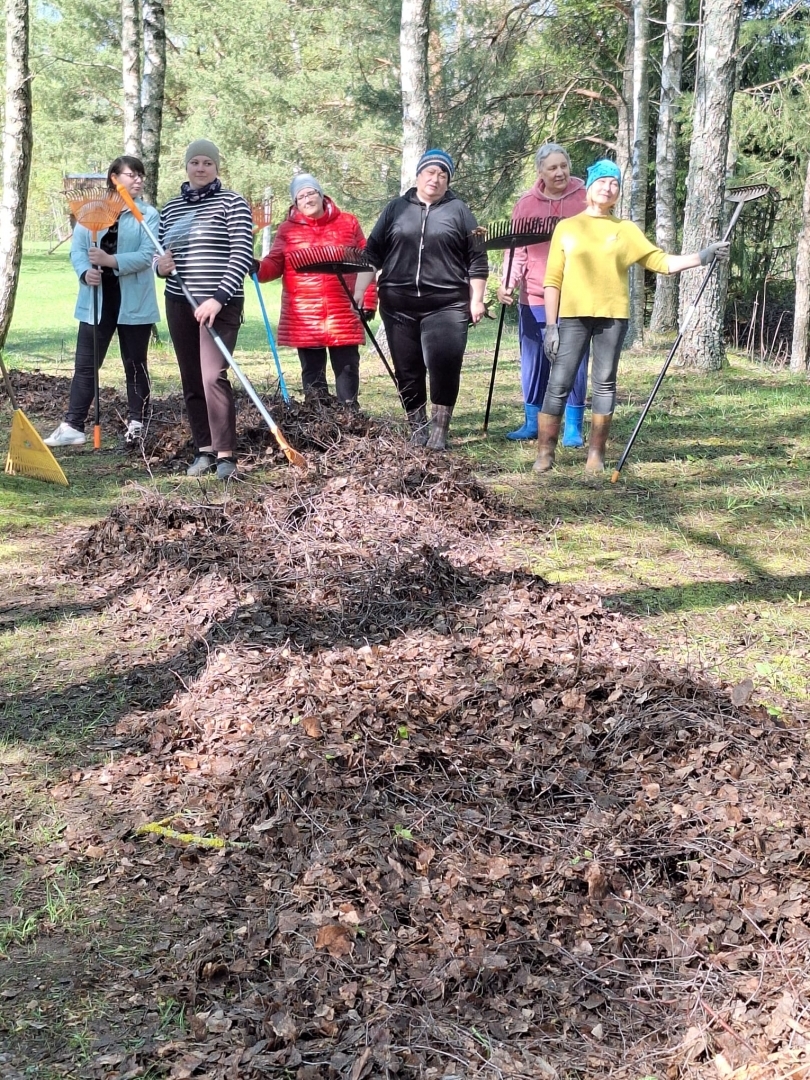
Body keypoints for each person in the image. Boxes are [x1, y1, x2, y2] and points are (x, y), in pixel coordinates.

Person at [535, 159, 730, 475]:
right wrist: (551, 325)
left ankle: (595, 455)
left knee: (604, 383)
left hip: (612, 318)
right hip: (572, 317)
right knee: (559, 382)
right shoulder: (567, 227)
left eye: (614, 183)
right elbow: (552, 279)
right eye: (602, 181)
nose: (608, 187)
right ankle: (545, 453)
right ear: (588, 186)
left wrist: (702, 257)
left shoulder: (625, 230)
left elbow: (660, 261)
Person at [357, 149, 489, 451]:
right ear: (418, 175)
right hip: (399, 302)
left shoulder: (460, 211)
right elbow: (372, 254)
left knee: (445, 363)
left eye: (443, 175)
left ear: (448, 181)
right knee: (408, 367)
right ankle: (417, 427)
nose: (436, 179)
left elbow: (477, 259)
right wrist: (358, 294)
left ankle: (440, 431)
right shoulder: (395, 209)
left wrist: (477, 300)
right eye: (430, 172)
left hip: (447, 303)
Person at [155, 139, 253, 480]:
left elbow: (241, 254)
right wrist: (161, 266)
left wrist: (218, 298)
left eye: (207, 163)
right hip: (179, 301)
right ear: (186, 167)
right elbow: (162, 256)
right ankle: (204, 451)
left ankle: (226, 455)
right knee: (192, 378)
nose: (200, 168)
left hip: (219, 303)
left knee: (213, 376)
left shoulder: (233, 203)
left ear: (216, 168)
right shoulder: (170, 209)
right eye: (194, 162)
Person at [45, 156, 159, 449]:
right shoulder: (93, 213)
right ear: (114, 178)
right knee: (86, 365)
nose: (138, 180)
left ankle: (138, 423)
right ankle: (73, 425)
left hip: (134, 300)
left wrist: (111, 261)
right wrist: (85, 272)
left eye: (140, 175)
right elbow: (79, 250)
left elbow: (148, 255)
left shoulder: (147, 214)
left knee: (135, 364)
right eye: (130, 175)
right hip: (97, 299)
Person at [497, 143, 590, 446]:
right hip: (535, 296)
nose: (560, 172)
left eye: (564, 165)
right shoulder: (526, 205)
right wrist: (508, 283)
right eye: (553, 167)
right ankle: (532, 422)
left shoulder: (584, 197)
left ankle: (573, 426)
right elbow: (516, 250)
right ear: (540, 172)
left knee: (573, 360)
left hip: (577, 295)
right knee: (534, 361)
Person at [256, 174, 376, 404]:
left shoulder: (348, 223)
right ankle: (317, 420)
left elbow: (367, 262)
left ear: (321, 195)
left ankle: (350, 418)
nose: (307, 199)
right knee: (312, 372)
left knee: (348, 368)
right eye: (301, 196)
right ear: (295, 203)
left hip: (344, 310)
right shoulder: (287, 230)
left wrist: (368, 300)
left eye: (311, 193)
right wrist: (257, 267)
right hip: (304, 315)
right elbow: (273, 265)